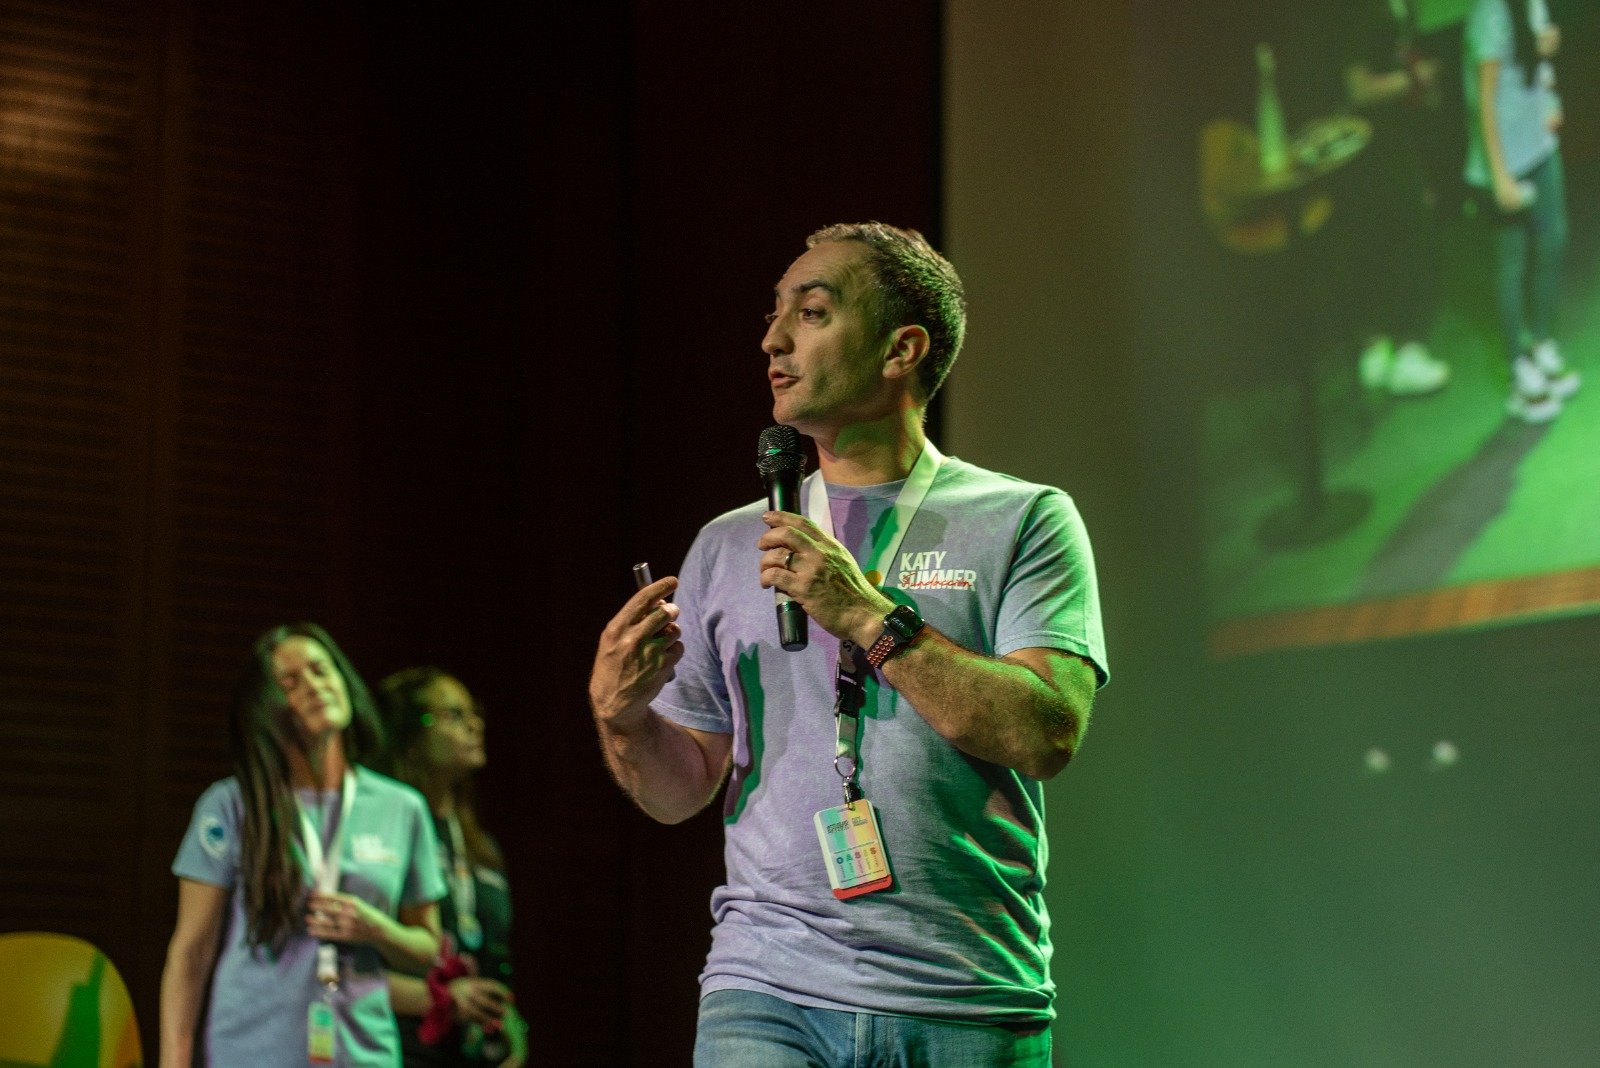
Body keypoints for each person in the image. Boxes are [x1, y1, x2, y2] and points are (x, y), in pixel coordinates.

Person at [589, 222, 1108, 1066]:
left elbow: (1044, 734)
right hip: (767, 986)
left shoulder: (1024, 519)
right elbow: (679, 789)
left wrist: (869, 617)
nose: (773, 339)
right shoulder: (729, 544)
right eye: (774, 313)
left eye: (812, 312)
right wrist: (621, 718)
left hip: (965, 993)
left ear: (901, 349)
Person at [159, 622, 446, 1067]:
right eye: (291, 682)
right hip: (250, 1051)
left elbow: (428, 948)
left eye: (320, 670)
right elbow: (191, 952)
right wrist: (174, 1061)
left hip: (363, 1052)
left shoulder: (402, 808)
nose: (314, 686)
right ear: (267, 708)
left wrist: (376, 928)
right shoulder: (232, 805)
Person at [378, 667, 527, 1067]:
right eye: (454, 715)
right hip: (401, 1048)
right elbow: (348, 967)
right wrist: (443, 998)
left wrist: (509, 1019)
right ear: (410, 738)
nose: (475, 725)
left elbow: (492, 953)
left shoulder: (480, 846)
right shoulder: (382, 838)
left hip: (471, 1054)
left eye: (473, 713)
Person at [1463, 0, 1578, 422]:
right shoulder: (1489, 13)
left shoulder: (1531, 3)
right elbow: (1484, 100)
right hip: (1504, 159)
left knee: (1553, 242)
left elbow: (1538, 59)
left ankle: (1540, 343)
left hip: (1538, 144)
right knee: (1510, 264)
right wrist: (1499, 177)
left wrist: (1550, 93)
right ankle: (1518, 372)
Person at [1342, 0, 1453, 397]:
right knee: (1408, 240)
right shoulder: (1361, 12)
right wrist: (1414, 80)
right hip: (1375, 144)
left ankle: (1379, 349)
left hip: (1395, 137)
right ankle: (1404, 350)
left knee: (1388, 242)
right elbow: (1358, 88)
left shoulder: (1398, 8)